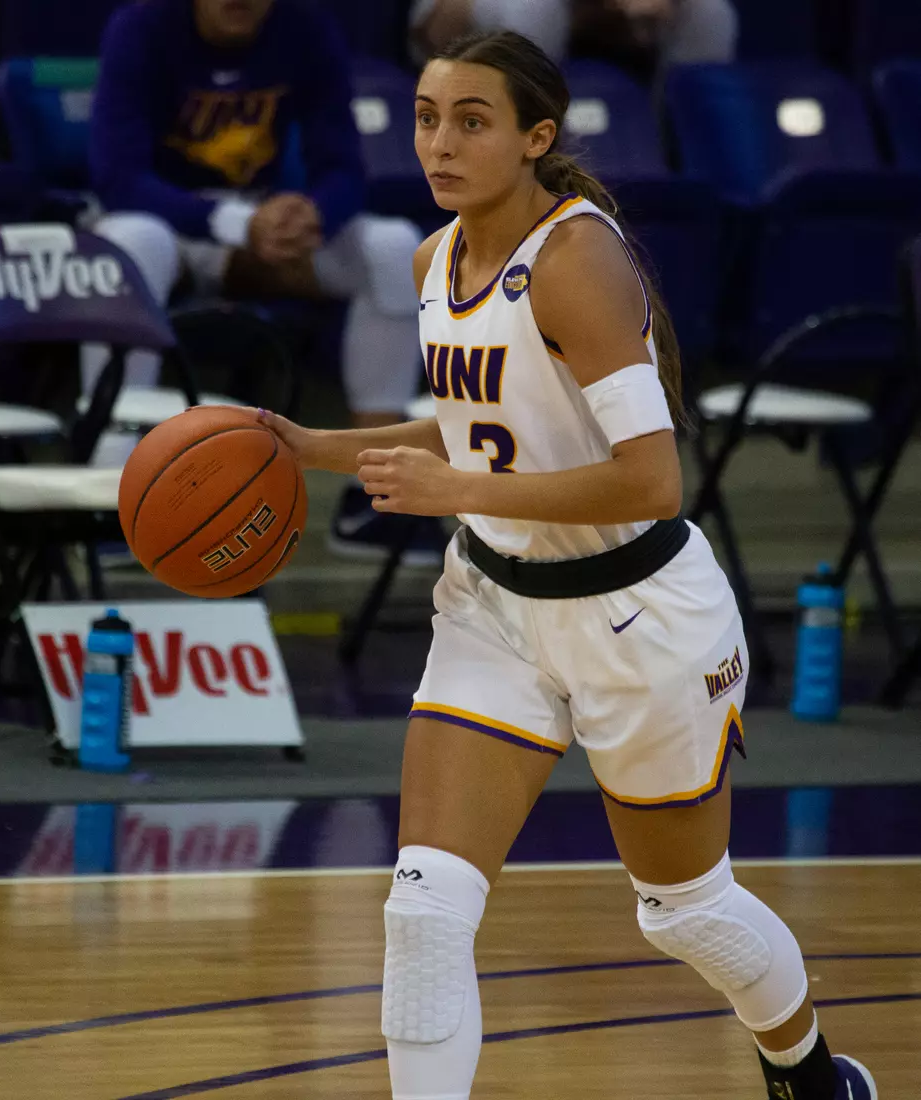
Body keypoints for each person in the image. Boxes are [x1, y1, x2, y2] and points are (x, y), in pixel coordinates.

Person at [258, 29, 878, 1100]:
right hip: (494, 606)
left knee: (681, 908)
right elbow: (480, 423)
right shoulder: (431, 258)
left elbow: (650, 482)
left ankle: (809, 1072)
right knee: (421, 910)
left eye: (470, 120)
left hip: (637, 613)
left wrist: (461, 490)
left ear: (536, 137)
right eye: (424, 117)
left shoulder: (579, 258)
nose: (439, 143)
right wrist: (310, 446)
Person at [86, 0, 443, 563]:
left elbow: (344, 169)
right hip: (172, 224)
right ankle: (110, 481)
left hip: (265, 225)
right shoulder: (142, 26)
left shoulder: (306, 27)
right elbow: (118, 179)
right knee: (130, 243)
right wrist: (233, 224)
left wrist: (313, 218)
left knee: (395, 247)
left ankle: (376, 492)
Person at [409, 0, 738, 78]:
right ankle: (536, 179)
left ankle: (696, 182)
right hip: (454, 30)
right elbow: (435, 25)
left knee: (709, 13)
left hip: (581, 13)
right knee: (534, 10)